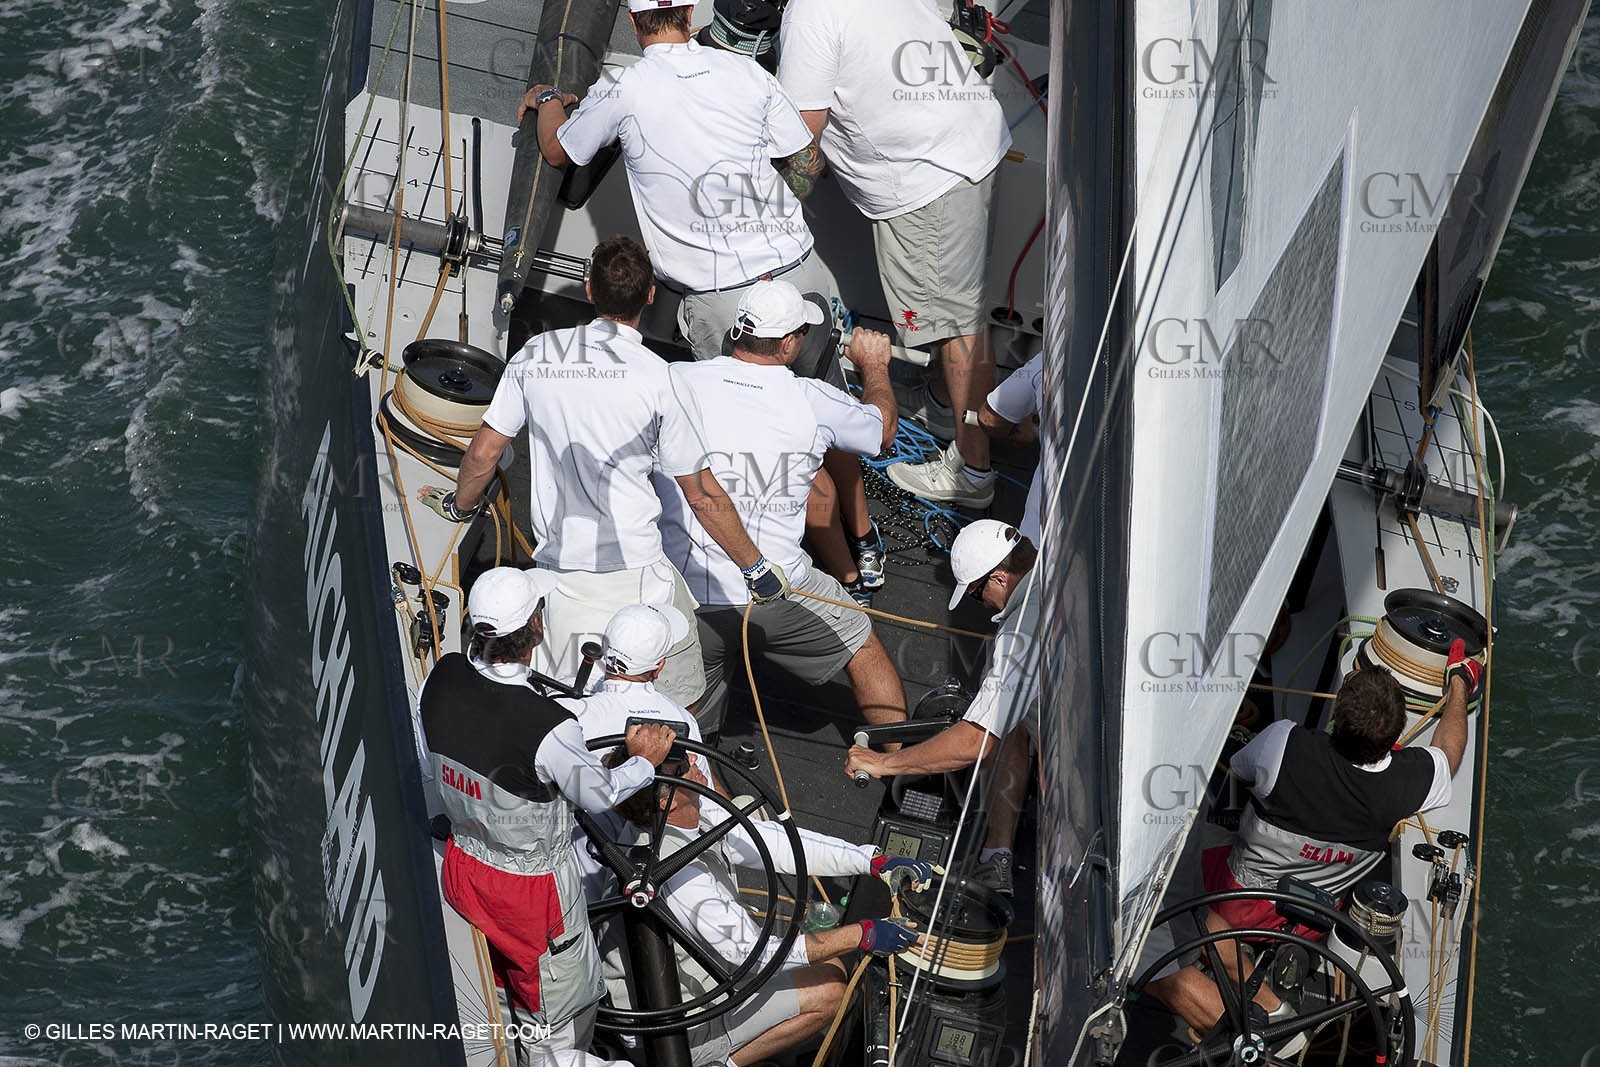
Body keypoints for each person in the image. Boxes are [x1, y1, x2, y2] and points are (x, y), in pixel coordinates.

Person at [418, 237, 789, 706]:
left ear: (589, 289)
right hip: (638, 578)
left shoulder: (537, 354)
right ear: (651, 295)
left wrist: (458, 504)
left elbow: (483, 455)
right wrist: (755, 568)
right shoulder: (662, 378)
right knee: (681, 703)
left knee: (563, 706)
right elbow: (701, 495)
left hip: (559, 574)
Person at [1144, 649, 1481, 1038]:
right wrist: (1459, 683)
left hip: (1232, 906)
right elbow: (1449, 752)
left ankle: (1250, 983)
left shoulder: (1283, 743)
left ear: (1336, 716)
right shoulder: (1411, 781)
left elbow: (1237, 768)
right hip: (1309, 919)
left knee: (1190, 831)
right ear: (1393, 737)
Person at [418, 566, 681, 1059]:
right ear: (535, 628)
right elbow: (597, 794)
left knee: (496, 994)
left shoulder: (444, 675)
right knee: (556, 1026)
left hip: (463, 869)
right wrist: (643, 763)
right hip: (533, 898)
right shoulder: (551, 726)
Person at [777, 0, 1013, 509]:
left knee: (956, 327)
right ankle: (942, 405)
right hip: (971, 143)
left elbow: (803, 137)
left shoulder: (810, 14)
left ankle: (971, 472)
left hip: (926, 181)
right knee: (960, 310)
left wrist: (769, 209)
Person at [654, 279, 907, 736]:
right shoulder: (812, 399)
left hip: (687, 598)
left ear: (737, 331)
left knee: (687, 726)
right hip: (775, 590)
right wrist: (875, 367)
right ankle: (896, 762)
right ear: (789, 343)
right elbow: (881, 431)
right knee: (864, 646)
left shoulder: (674, 380)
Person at [522, 0, 831, 362]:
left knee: (741, 414)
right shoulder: (746, 70)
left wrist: (547, 98)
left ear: (633, 22)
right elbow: (809, 161)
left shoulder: (622, 87)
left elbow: (558, 150)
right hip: (801, 270)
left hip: (728, 303)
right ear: (689, 14)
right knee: (826, 410)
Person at [597, 754, 934, 1066]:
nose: (695, 760)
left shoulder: (688, 821)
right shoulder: (682, 879)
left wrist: (872, 860)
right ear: (663, 800)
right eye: (682, 764)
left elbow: (774, 843)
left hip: (710, 985)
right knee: (831, 992)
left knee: (829, 964)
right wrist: (864, 934)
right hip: (681, 1027)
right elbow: (756, 955)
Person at [845, 520, 1041, 896]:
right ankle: (997, 852)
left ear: (999, 579)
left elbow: (975, 742)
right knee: (1010, 722)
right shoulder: (1058, 564)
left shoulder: (1019, 635)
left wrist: (883, 764)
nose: (980, 604)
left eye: (975, 594)